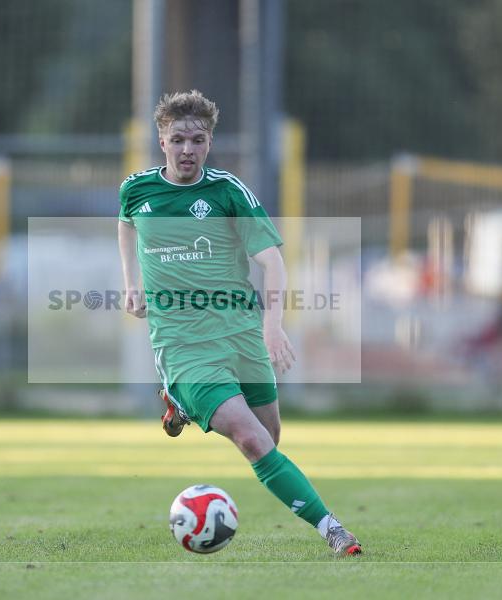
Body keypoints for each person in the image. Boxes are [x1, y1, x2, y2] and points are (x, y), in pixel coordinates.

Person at [117, 90, 361, 556]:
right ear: (161, 141)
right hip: (182, 342)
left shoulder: (228, 192)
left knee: (271, 437)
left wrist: (272, 327)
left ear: (209, 143)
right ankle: (333, 529)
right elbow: (126, 224)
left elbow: (272, 262)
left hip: (240, 330)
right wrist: (131, 282)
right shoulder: (137, 189)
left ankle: (178, 403)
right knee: (252, 440)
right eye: (178, 140)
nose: (187, 149)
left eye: (198, 140)